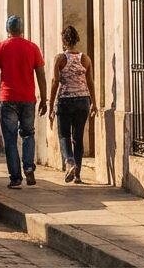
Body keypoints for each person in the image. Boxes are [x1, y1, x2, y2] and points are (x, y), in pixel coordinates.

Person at [0, 15, 48, 189]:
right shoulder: (32, 47)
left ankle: (15, 177)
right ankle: (28, 166)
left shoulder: (0, 48)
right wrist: (43, 98)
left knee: (11, 139)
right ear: (22, 30)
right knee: (28, 134)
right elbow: (41, 76)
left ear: (8, 30)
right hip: (28, 99)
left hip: (7, 99)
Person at [48, 25, 96, 183]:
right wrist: (93, 103)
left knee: (64, 135)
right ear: (76, 39)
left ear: (64, 40)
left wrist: (51, 106)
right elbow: (90, 82)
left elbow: (55, 82)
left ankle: (69, 162)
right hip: (83, 100)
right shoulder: (85, 58)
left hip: (65, 101)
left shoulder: (60, 58)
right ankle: (77, 175)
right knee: (78, 137)